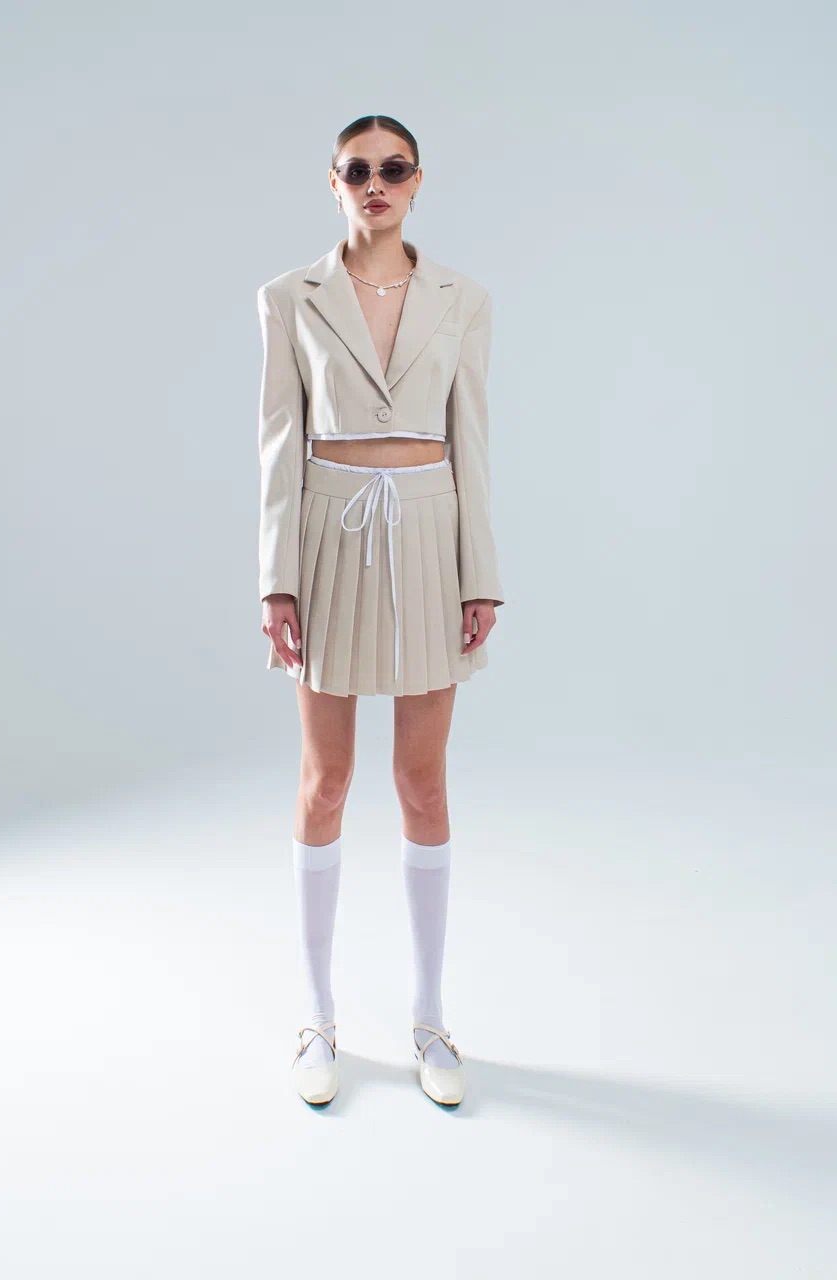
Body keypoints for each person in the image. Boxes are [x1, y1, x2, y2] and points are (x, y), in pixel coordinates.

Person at [256, 114, 505, 1106]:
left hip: (431, 533)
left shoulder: (463, 299)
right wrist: (276, 577)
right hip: (327, 533)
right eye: (357, 170)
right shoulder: (290, 298)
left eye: (392, 169)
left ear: (417, 181)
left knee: (421, 781)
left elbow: (471, 435)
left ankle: (430, 1019)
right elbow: (278, 441)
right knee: (325, 779)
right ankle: (317, 1018)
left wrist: (479, 573)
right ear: (332, 182)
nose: (376, 184)